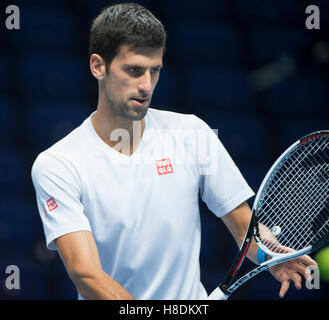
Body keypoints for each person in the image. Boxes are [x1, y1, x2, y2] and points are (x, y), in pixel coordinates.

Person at [31, 2, 317, 300]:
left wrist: (267, 255)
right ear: (98, 66)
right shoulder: (58, 164)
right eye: (133, 70)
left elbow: (244, 225)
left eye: (154, 71)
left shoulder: (192, 134)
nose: (146, 85)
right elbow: (85, 272)